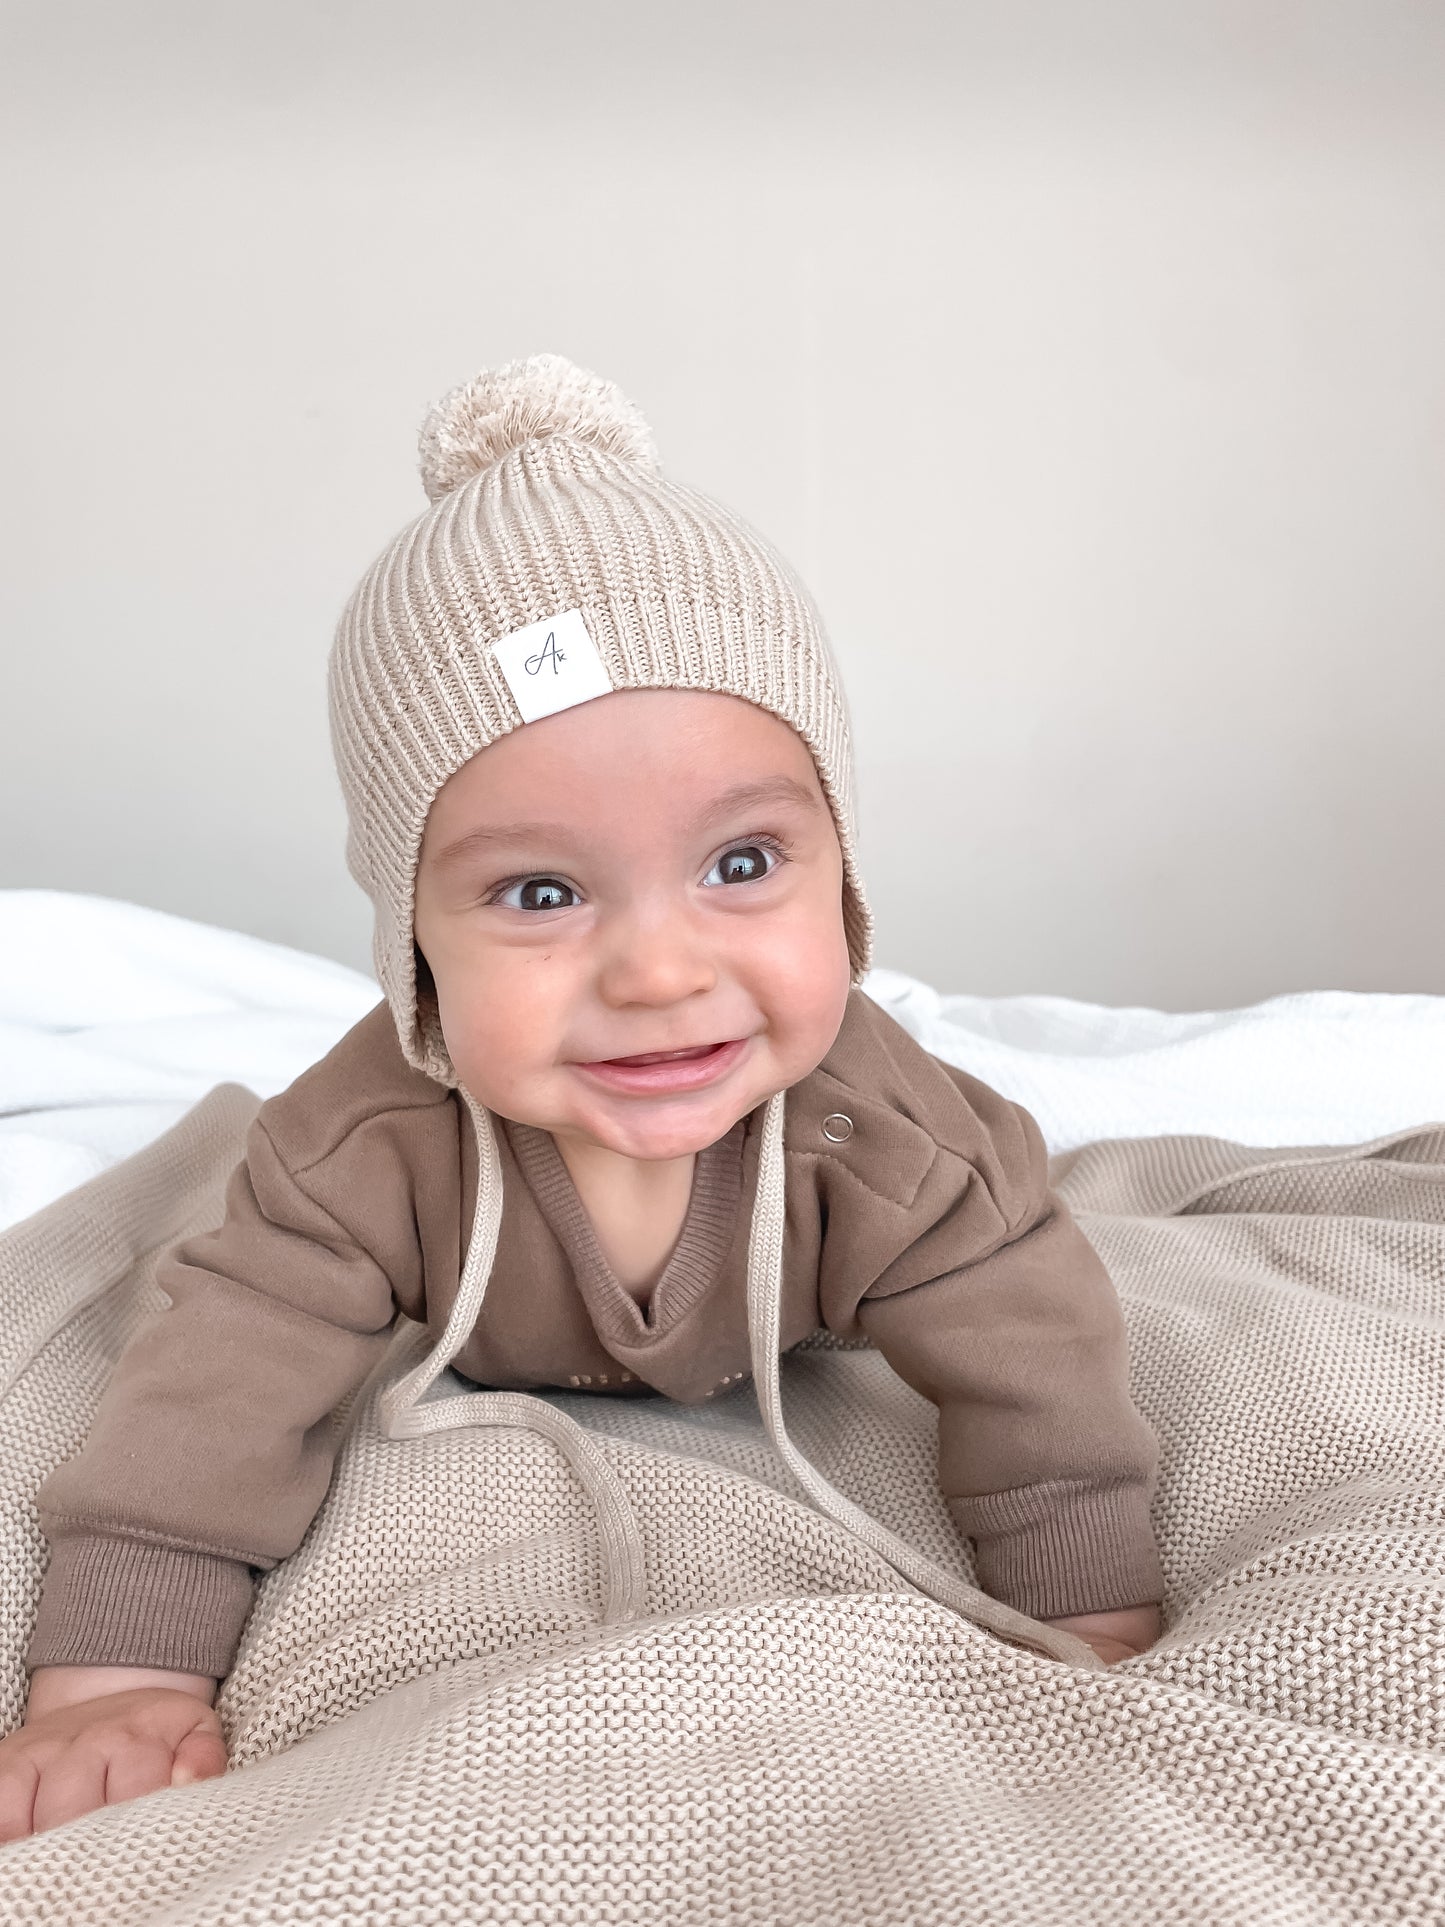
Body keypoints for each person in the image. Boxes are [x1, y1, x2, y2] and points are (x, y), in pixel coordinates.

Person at [0, 354, 1165, 1842]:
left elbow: (1040, 1373)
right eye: (541, 892)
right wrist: (117, 1678)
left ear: (842, 865)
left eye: (740, 864)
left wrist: (1094, 1617)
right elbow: (208, 1401)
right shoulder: (356, 1152)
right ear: (410, 935)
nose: (660, 973)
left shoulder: (900, 1146)